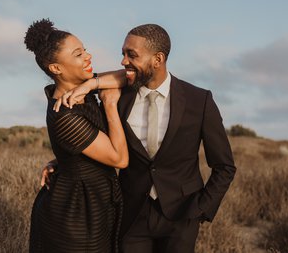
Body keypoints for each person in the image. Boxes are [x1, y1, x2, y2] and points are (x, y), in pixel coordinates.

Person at [46, 23, 236, 253]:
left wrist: (202, 209)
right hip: (132, 213)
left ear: (158, 59)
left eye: (131, 55)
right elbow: (98, 138)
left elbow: (224, 166)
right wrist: (63, 160)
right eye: (123, 53)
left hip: (182, 216)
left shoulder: (200, 100)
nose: (123, 61)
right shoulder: (118, 97)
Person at [24, 18, 129, 253]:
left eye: (85, 50)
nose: (88, 57)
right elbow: (119, 159)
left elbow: (129, 75)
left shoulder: (82, 87)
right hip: (76, 214)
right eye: (78, 54)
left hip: (96, 204)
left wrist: (92, 85)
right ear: (56, 68)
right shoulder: (64, 114)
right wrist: (110, 105)